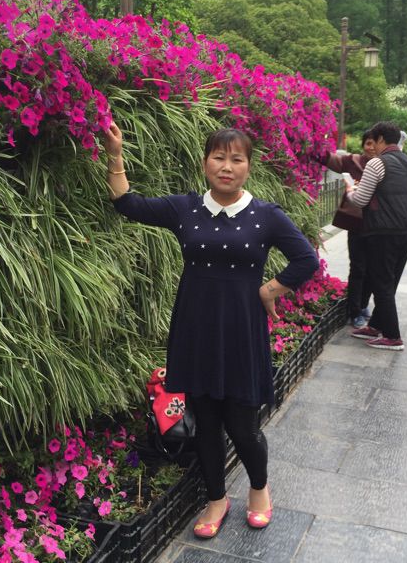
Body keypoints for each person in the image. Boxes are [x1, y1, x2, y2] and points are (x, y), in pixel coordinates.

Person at [103, 121, 318, 538]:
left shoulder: (266, 216)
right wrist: (115, 154)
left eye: (236, 159)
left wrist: (269, 289)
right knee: (205, 422)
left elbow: (305, 258)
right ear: (205, 163)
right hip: (196, 329)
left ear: (248, 166)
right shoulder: (185, 208)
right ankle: (216, 498)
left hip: (241, 332)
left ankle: (259, 488)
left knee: (243, 426)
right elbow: (128, 204)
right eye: (219, 157)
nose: (227, 166)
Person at [346, 121, 407, 351]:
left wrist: (350, 191)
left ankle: (392, 336)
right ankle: (376, 325)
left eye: (374, 141)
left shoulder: (377, 163)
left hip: (384, 230)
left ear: (380, 139)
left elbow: (360, 200)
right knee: (390, 279)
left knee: (381, 281)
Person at [322, 131, 376, 327]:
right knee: (358, 268)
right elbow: (328, 159)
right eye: (367, 143)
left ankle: (363, 304)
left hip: (378, 226)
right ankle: (354, 311)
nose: (371, 147)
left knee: (372, 270)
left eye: (375, 143)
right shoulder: (353, 161)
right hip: (356, 225)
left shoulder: (385, 165)